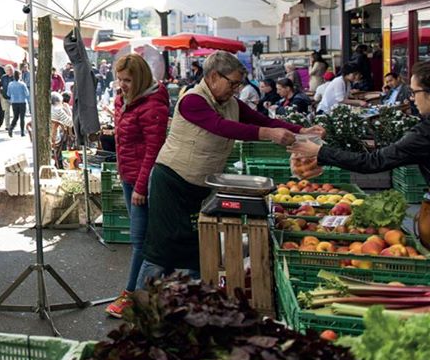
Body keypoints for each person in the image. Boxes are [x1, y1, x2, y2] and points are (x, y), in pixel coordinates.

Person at [137, 51, 323, 288]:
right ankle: (139, 302)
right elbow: (221, 127)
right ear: (214, 76)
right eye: (232, 83)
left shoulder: (231, 103)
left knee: (200, 247)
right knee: (160, 251)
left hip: (200, 187)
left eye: (238, 84)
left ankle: (191, 304)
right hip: (172, 182)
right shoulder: (192, 100)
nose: (235, 90)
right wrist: (269, 135)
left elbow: (262, 120)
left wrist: (301, 130)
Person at [291, 59, 430, 246]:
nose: (412, 98)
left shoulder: (424, 134)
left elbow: (372, 162)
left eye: (414, 92)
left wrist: (321, 151)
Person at [104, 54, 170, 317]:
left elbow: (153, 150)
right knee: (143, 239)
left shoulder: (153, 105)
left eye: (127, 80)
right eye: (119, 79)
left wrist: (141, 187)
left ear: (140, 78)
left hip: (144, 182)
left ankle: (132, 294)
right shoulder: (123, 100)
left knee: (140, 241)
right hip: (128, 177)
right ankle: (154, 291)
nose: (122, 85)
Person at [7, 70, 30, 138]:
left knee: (15, 117)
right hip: (22, 102)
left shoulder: (10, 84)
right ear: (19, 76)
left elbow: (8, 93)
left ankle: (11, 127)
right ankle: (22, 132)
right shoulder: (22, 84)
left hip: (14, 102)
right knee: (22, 117)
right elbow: (27, 93)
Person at [0, 64, 15, 129]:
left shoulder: (15, 77)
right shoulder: (3, 77)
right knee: (7, 112)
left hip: (14, 97)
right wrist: (1, 91)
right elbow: (0, 85)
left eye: (10, 70)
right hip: (5, 97)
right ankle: (7, 125)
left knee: (15, 112)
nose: (8, 71)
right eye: (7, 70)